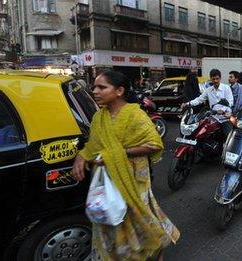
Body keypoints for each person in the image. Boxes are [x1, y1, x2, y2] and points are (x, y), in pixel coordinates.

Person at [72, 71, 179, 260]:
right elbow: (94, 145)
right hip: (108, 181)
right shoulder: (99, 118)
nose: (95, 91)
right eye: (95, 87)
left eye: (102, 87)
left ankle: (154, 251)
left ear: (119, 90)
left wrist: (116, 154)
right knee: (110, 219)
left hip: (134, 178)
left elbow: (154, 144)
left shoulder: (135, 115)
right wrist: (82, 157)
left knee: (138, 218)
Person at [182, 69, 234, 137]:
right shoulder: (208, 90)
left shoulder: (226, 88)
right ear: (211, 79)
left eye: (217, 79)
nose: (215, 81)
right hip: (213, 117)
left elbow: (230, 102)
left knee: (229, 137)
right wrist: (188, 103)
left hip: (225, 118)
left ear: (220, 78)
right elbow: (199, 100)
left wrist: (222, 110)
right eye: (213, 79)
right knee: (201, 133)